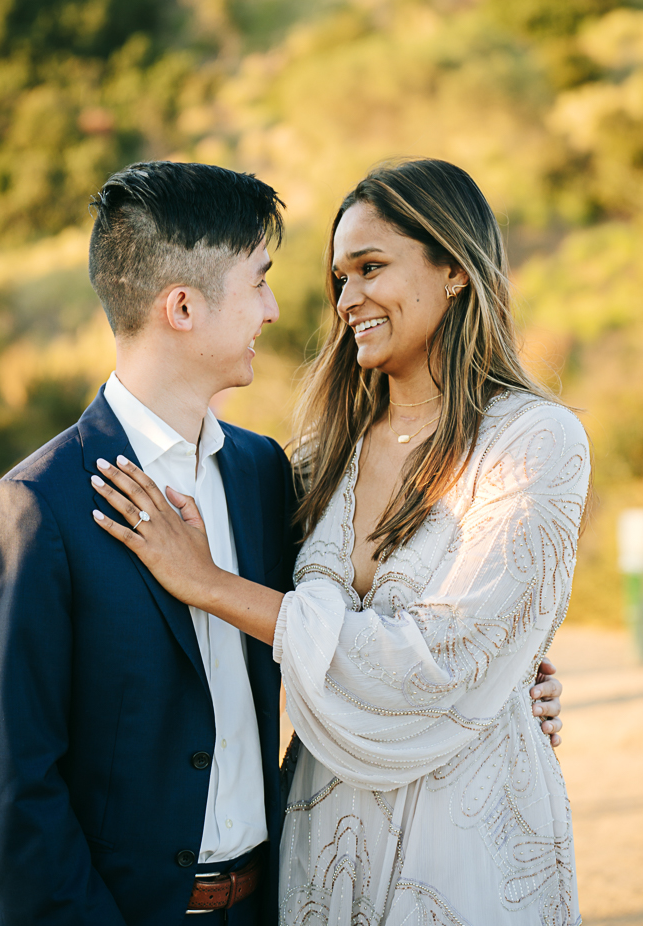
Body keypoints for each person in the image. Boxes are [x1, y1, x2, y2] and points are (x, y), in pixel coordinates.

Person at [91, 158, 588, 926]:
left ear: (454, 268)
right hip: (322, 835)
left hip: (464, 843)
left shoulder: (534, 441)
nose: (346, 298)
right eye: (339, 277)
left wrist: (210, 584)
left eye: (370, 267)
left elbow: (440, 659)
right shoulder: (325, 454)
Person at [0, 162, 296, 925]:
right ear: (182, 306)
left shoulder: (261, 472)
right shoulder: (34, 506)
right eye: (257, 283)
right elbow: (17, 785)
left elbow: (328, 633)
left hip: (263, 908)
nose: (272, 311)